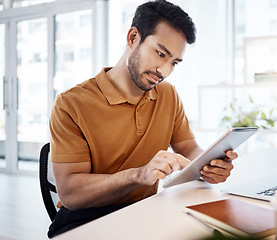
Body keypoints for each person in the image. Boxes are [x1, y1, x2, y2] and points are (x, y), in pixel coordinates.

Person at [47, 0, 238, 237]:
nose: (164, 71)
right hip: (85, 221)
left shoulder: (168, 95)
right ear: (133, 37)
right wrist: (139, 175)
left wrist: (208, 164)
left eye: (174, 63)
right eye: (160, 54)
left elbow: (188, 148)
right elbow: (70, 195)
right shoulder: (71, 104)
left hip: (145, 211)